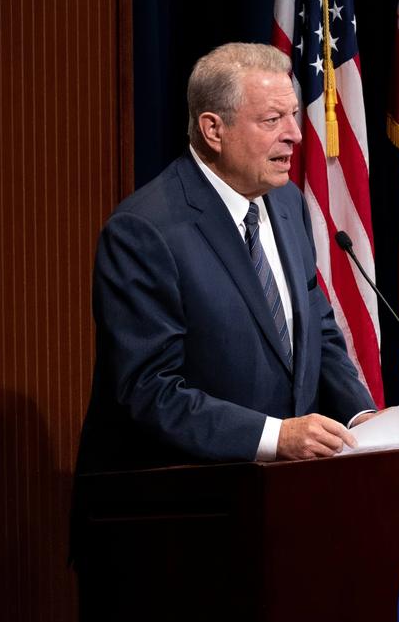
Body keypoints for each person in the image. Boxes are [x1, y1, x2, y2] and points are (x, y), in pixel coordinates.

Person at [74, 42, 377, 471]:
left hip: (286, 494)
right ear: (213, 130)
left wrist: (358, 417)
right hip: (186, 505)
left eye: (292, 114)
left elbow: (318, 331)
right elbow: (149, 389)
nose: (294, 132)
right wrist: (276, 436)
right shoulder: (144, 232)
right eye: (273, 120)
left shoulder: (287, 202)